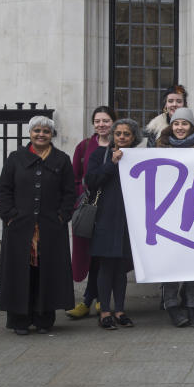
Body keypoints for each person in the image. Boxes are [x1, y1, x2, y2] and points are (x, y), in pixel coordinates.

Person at [0, 116, 76, 335]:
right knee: (20, 273)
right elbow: (4, 190)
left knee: (46, 273)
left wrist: (62, 216)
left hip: (51, 228)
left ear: (52, 135)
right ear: (30, 133)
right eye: (37, 130)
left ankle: (43, 319)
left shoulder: (61, 160)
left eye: (46, 131)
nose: (41, 134)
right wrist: (10, 216)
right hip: (19, 228)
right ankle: (19, 320)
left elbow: (70, 193)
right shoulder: (15, 159)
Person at [156, 107, 194, 327]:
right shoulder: (159, 148)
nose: (180, 128)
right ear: (171, 126)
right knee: (171, 263)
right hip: (168, 215)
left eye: (184, 124)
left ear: (192, 126)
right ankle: (172, 305)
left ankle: (192, 306)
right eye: (176, 124)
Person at [85, 118, 141, 330]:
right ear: (112, 136)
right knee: (106, 266)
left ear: (134, 137)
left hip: (129, 221)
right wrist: (112, 164)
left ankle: (120, 310)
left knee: (121, 268)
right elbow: (90, 180)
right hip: (106, 219)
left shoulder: (138, 157)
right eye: (118, 134)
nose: (122, 137)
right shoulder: (101, 155)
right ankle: (105, 311)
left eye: (127, 134)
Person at [66, 106, 116, 320]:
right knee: (90, 254)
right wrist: (82, 194)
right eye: (97, 121)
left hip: (113, 209)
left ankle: (95, 299)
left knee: (104, 255)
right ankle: (91, 299)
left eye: (106, 120)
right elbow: (74, 176)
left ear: (113, 122)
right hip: (89, 208)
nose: (101, 124)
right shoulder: (84, 146)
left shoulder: (120, 145)